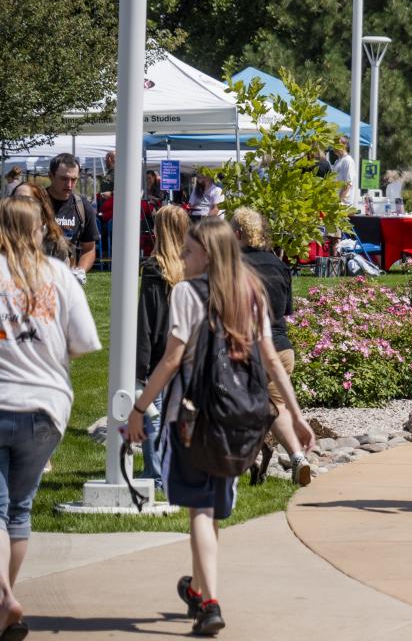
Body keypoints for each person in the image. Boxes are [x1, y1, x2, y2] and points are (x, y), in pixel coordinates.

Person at [126, 218, 315, 637]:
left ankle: (210, 602)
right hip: (239, 418)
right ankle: (198, 588)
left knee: (199, 509)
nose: (182, 257)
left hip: (192, 417)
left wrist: (140, 407)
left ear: (207, 255)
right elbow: (270, 359)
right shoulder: (252, 293)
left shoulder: (186, 294)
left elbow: (173, 359)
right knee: (211, 511)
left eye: (189, 252)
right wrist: (297, 416)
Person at [0, 198, 101, 638]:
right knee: (18, 510)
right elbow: (82, 343)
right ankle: (5, 602)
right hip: (46, 408)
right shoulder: (59, 275)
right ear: (38, 231)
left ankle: (4, 596)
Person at [232, 207, 311, 486]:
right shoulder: (280, 265)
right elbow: (284, 311)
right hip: (282, 347)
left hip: (246, 348)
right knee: (277, 408)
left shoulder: (233, 264)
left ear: (238, 233)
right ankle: (298, 457)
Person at [135, 205, 191, 489]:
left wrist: (140, 366)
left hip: (160, 355)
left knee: (152, 414)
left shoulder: (154, 267)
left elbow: (147, 320)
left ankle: (155, 473)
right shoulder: (192, 266)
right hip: (187, 353)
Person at [45, 153, 98, 278]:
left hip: (65, 280)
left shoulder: (82, 206)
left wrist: (80, 271)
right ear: (50, 176)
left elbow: (89, 248)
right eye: (64, 179)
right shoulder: (34, 203)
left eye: (74, 179)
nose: (69, 185)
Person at [13, 183, 71, 265]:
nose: (20, 205)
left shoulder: (56, 243)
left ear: (41, 205)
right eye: (15, 199)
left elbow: (63, 275)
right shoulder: (4, 237)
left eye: (26, 200)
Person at [332, 137, 356, 204]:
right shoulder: (337, 161)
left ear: (344, 145)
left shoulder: (348, 160)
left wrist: (339, 201)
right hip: (336, 201)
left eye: (336, 144)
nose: (334, 146)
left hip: (343, 204)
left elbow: (347, 184)